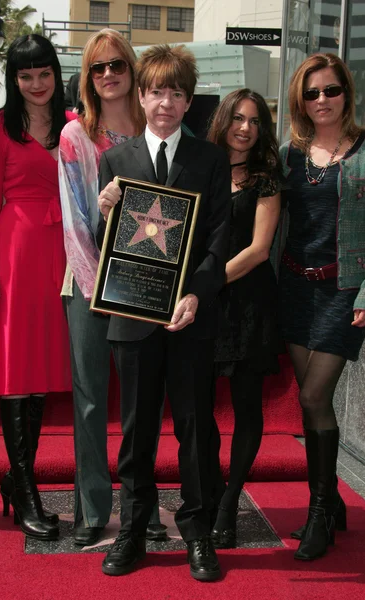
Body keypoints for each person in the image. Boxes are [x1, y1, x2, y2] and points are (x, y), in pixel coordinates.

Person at [97, 44, 230, 581]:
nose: (165, 103)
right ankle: (131, 530)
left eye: (177, 93)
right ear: (142, 95)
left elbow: (221, 237)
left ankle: (197, 532)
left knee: (195, 428)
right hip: (133, 318)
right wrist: (106, 212)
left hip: (191, 317)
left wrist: (196, 292)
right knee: (136, 429)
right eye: (156, 92)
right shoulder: (115, 161)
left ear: (188, 100)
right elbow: (102, 244)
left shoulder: (211, 160)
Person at [59, 28, 166, 546]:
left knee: (141, 402)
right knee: (91, 401)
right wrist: (100, 286)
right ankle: (93, 509)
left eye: (117, 65)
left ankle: (140, 506)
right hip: (87, 281)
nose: (108, 75)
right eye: (98, 68)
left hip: (147, 284)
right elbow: (76, 223)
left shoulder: (156, 128)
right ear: (88, 76)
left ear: (132, 69)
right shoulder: (76, 136)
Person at [277, 53, 365, 561]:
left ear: (347, 93)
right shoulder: (289, 153)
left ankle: (319, 511)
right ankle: (333, 498)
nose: (322, 100)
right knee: (307, 396)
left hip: (344, 291)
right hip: (295, 288)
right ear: (301, 98)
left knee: (316, 396)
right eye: (312, 92)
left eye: (331, 90)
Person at [0, 34, 74, 541]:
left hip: (61, 255)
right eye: (25, 76)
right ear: (14, 81)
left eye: (44, 73)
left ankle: (17, 482)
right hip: (14, 254)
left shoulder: (74, 125)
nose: (37, 84)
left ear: (55, 74)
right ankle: (26, 486)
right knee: (18, 367)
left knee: (38, 371)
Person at [206, 89, 282, 549]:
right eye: (237, 117)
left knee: (247, 407)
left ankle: (230, 502)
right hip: (206, 305)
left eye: (254, 121)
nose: (245, 128)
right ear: (224, 120)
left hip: (249, 303)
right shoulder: (203, 167)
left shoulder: (267, 179)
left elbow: (258, 250)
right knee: (199, 405)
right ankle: (212, 490)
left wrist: (206, 282)